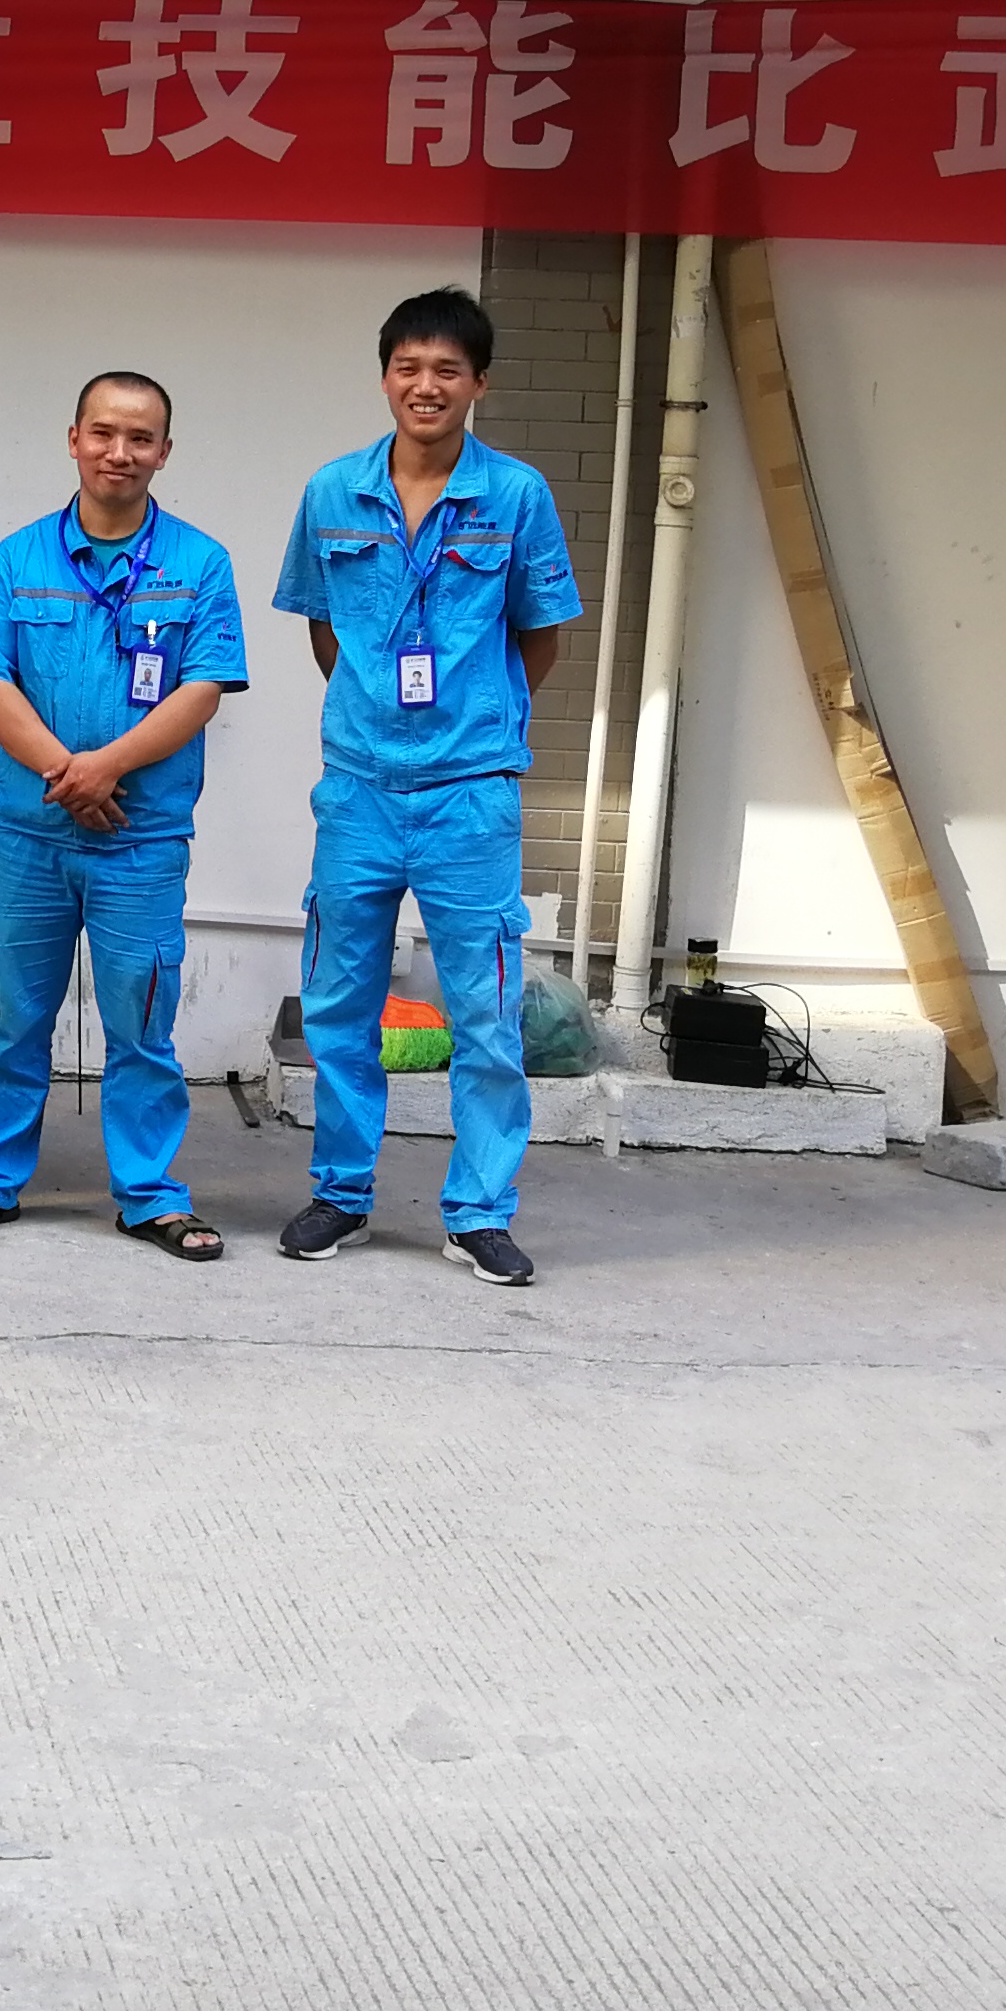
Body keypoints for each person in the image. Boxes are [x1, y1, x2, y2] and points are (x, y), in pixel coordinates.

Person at [273, 286, 583, 1283]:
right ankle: (340, 1194)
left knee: (484, 1011)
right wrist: (379, 713)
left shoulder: (517, 496)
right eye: (408, 366)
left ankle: (479, 1212)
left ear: (479, 383)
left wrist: (471, 717)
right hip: (358, 789)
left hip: (469, 793)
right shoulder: (332, 491)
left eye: (448, 369)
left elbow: (540, 635)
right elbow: (325, 628)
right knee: (338, 1003)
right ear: (385, 378)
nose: (427, 385)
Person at [0, 372, 251, 1260]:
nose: (119, 452)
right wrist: (67, 775)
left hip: (141, 841)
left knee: (142, 1025)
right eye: (103, 433)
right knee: (15, 1020)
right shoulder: (19, 560)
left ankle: (149, 1195)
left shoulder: (199, 564)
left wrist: (107, 768)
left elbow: (203, 688)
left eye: (140, 439)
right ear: (73, 439)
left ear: (164, 453)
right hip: (32, 839)